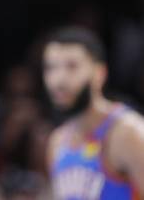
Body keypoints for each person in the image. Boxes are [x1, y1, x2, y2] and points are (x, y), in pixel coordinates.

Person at [43, 26, 144, 199]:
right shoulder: (57, 142)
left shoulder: (128, 132)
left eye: (72, 66)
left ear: (99, 73)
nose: (59, 79)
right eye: (51, 68)